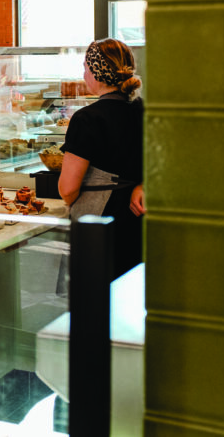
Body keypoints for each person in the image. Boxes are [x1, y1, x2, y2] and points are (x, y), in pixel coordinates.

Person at [58, 38, 145, 279]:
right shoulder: (143, 109)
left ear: (96, 72)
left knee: (95, 300)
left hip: (100, 225)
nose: (83, 73)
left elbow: (67, 189)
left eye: (85, 66)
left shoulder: (87, 119)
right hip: (138, 221)